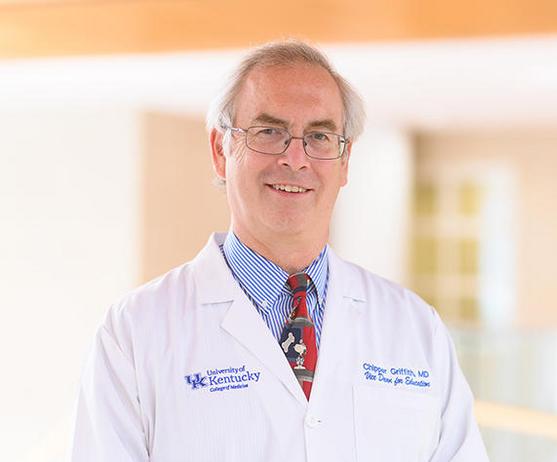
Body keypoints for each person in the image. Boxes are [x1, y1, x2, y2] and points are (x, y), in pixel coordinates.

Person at [71, 40, 489, 462]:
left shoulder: (416, 329)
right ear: (220, 151)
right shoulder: (135, 332)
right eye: (269, 132)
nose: (295, 158)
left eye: (320, 136)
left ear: (345, 161)